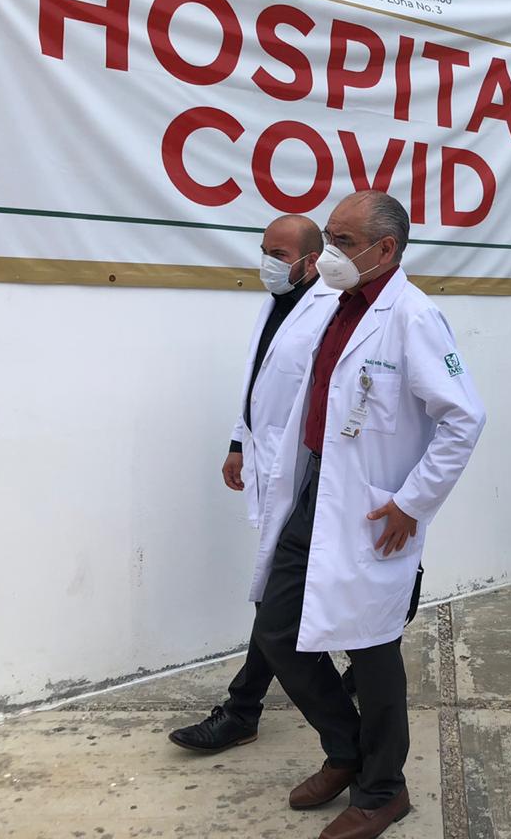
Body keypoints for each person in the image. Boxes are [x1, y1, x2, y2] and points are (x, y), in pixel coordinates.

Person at [251, 190, 485, 839]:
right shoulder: (336, 304)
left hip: (373, 507)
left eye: (343, 241)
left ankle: (383, 789)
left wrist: (413, 502)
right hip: (314, 490)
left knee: (372, 648)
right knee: (277, 629)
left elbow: (464, 418)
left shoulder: (414, 316)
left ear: (385, 249)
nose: (329, 251)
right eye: (328, 237)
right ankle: (347, 750)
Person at [169, 214, 337, 754]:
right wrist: (238, 443)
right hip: (270, 465)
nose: (268, 262)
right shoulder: (275, 304)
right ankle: (260, 704)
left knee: (276, 596)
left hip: (307, 475)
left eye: (280, 255)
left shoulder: (330, 309)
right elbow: (257, 384)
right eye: (264, 249)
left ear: (311, 260)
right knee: (287, 591)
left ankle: (243, 710)